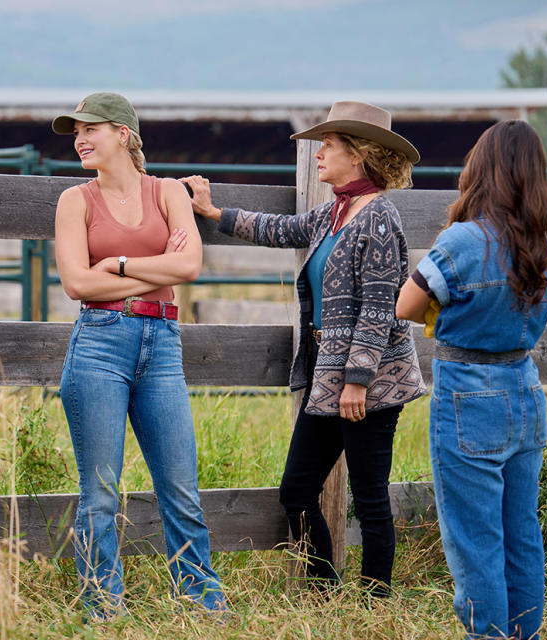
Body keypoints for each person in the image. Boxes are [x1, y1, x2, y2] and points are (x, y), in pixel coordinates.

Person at [182, 101, 426, 597]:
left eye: (329, 145)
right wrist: (214, 213)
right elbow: (280, 229)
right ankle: (324, 591)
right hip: (326, 378)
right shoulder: (335, 212)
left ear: (358, 155)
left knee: (370, 499)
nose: (319, 154)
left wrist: (357, 381)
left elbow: (380, 310)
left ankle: (375, 605)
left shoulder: (378, 219)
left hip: (368, 386)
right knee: (296, 490)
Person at [51, 92, 225, 619]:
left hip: (163, 343)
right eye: (76, 132)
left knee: (181, 486)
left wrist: (119, 266)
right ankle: (102, 606)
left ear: (123, 134)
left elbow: (190, 265)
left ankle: (200, 603)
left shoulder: (168, 191)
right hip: (99, 343)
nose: (80, 140)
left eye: (91, 129)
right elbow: (77, 283)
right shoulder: (74, 201)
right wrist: (155, 264)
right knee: (100, 491)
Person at [396, 120, 547, 639]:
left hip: (468, 394)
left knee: (474, 539)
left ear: (482, 171)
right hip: (526, 391)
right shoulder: (543, 248)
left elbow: (406, 304)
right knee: (521, 534)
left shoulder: (463, 240)